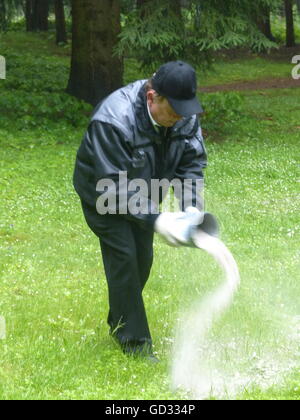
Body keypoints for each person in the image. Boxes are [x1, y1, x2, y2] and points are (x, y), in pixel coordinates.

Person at [73, 61, 207, 362]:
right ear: (152, 97)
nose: (179, 118)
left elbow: (191, 164)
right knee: (125, 258)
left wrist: (190, 210)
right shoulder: (113, 120)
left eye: (184, 111)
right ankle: (135, 344)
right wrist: (159, 219)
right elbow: (112, 188)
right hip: (103, 194)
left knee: (142, 259)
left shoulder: (183, 116)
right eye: (173, 112)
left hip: (144, 193)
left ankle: (120, 317)